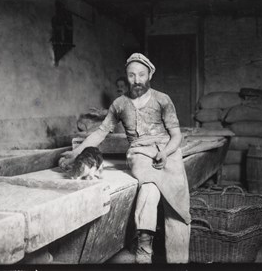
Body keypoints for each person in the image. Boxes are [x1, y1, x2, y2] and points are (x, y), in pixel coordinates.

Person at [60, 53, 191, 264]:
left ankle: (178, 261)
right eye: (131, 75)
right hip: (139, 152)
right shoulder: (120, 104)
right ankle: (145, 244)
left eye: (141, 74)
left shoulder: (163, 100)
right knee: (149, 183)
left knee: (176, 204)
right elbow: (100, 133)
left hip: (168, 151)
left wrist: (165, 153)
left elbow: (176, 135)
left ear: (150, 75)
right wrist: (77, 152)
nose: (137, 80)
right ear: (126, 76)